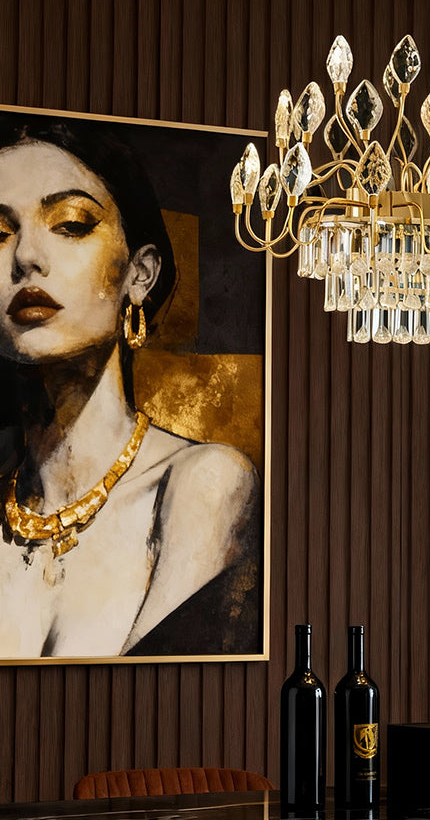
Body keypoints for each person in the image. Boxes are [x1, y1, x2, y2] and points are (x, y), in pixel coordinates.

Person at [0, 118, 261, 658]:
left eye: (70, 223)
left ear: (139, 275)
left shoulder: (201, 484)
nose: (25, 256)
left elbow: (160, 706)